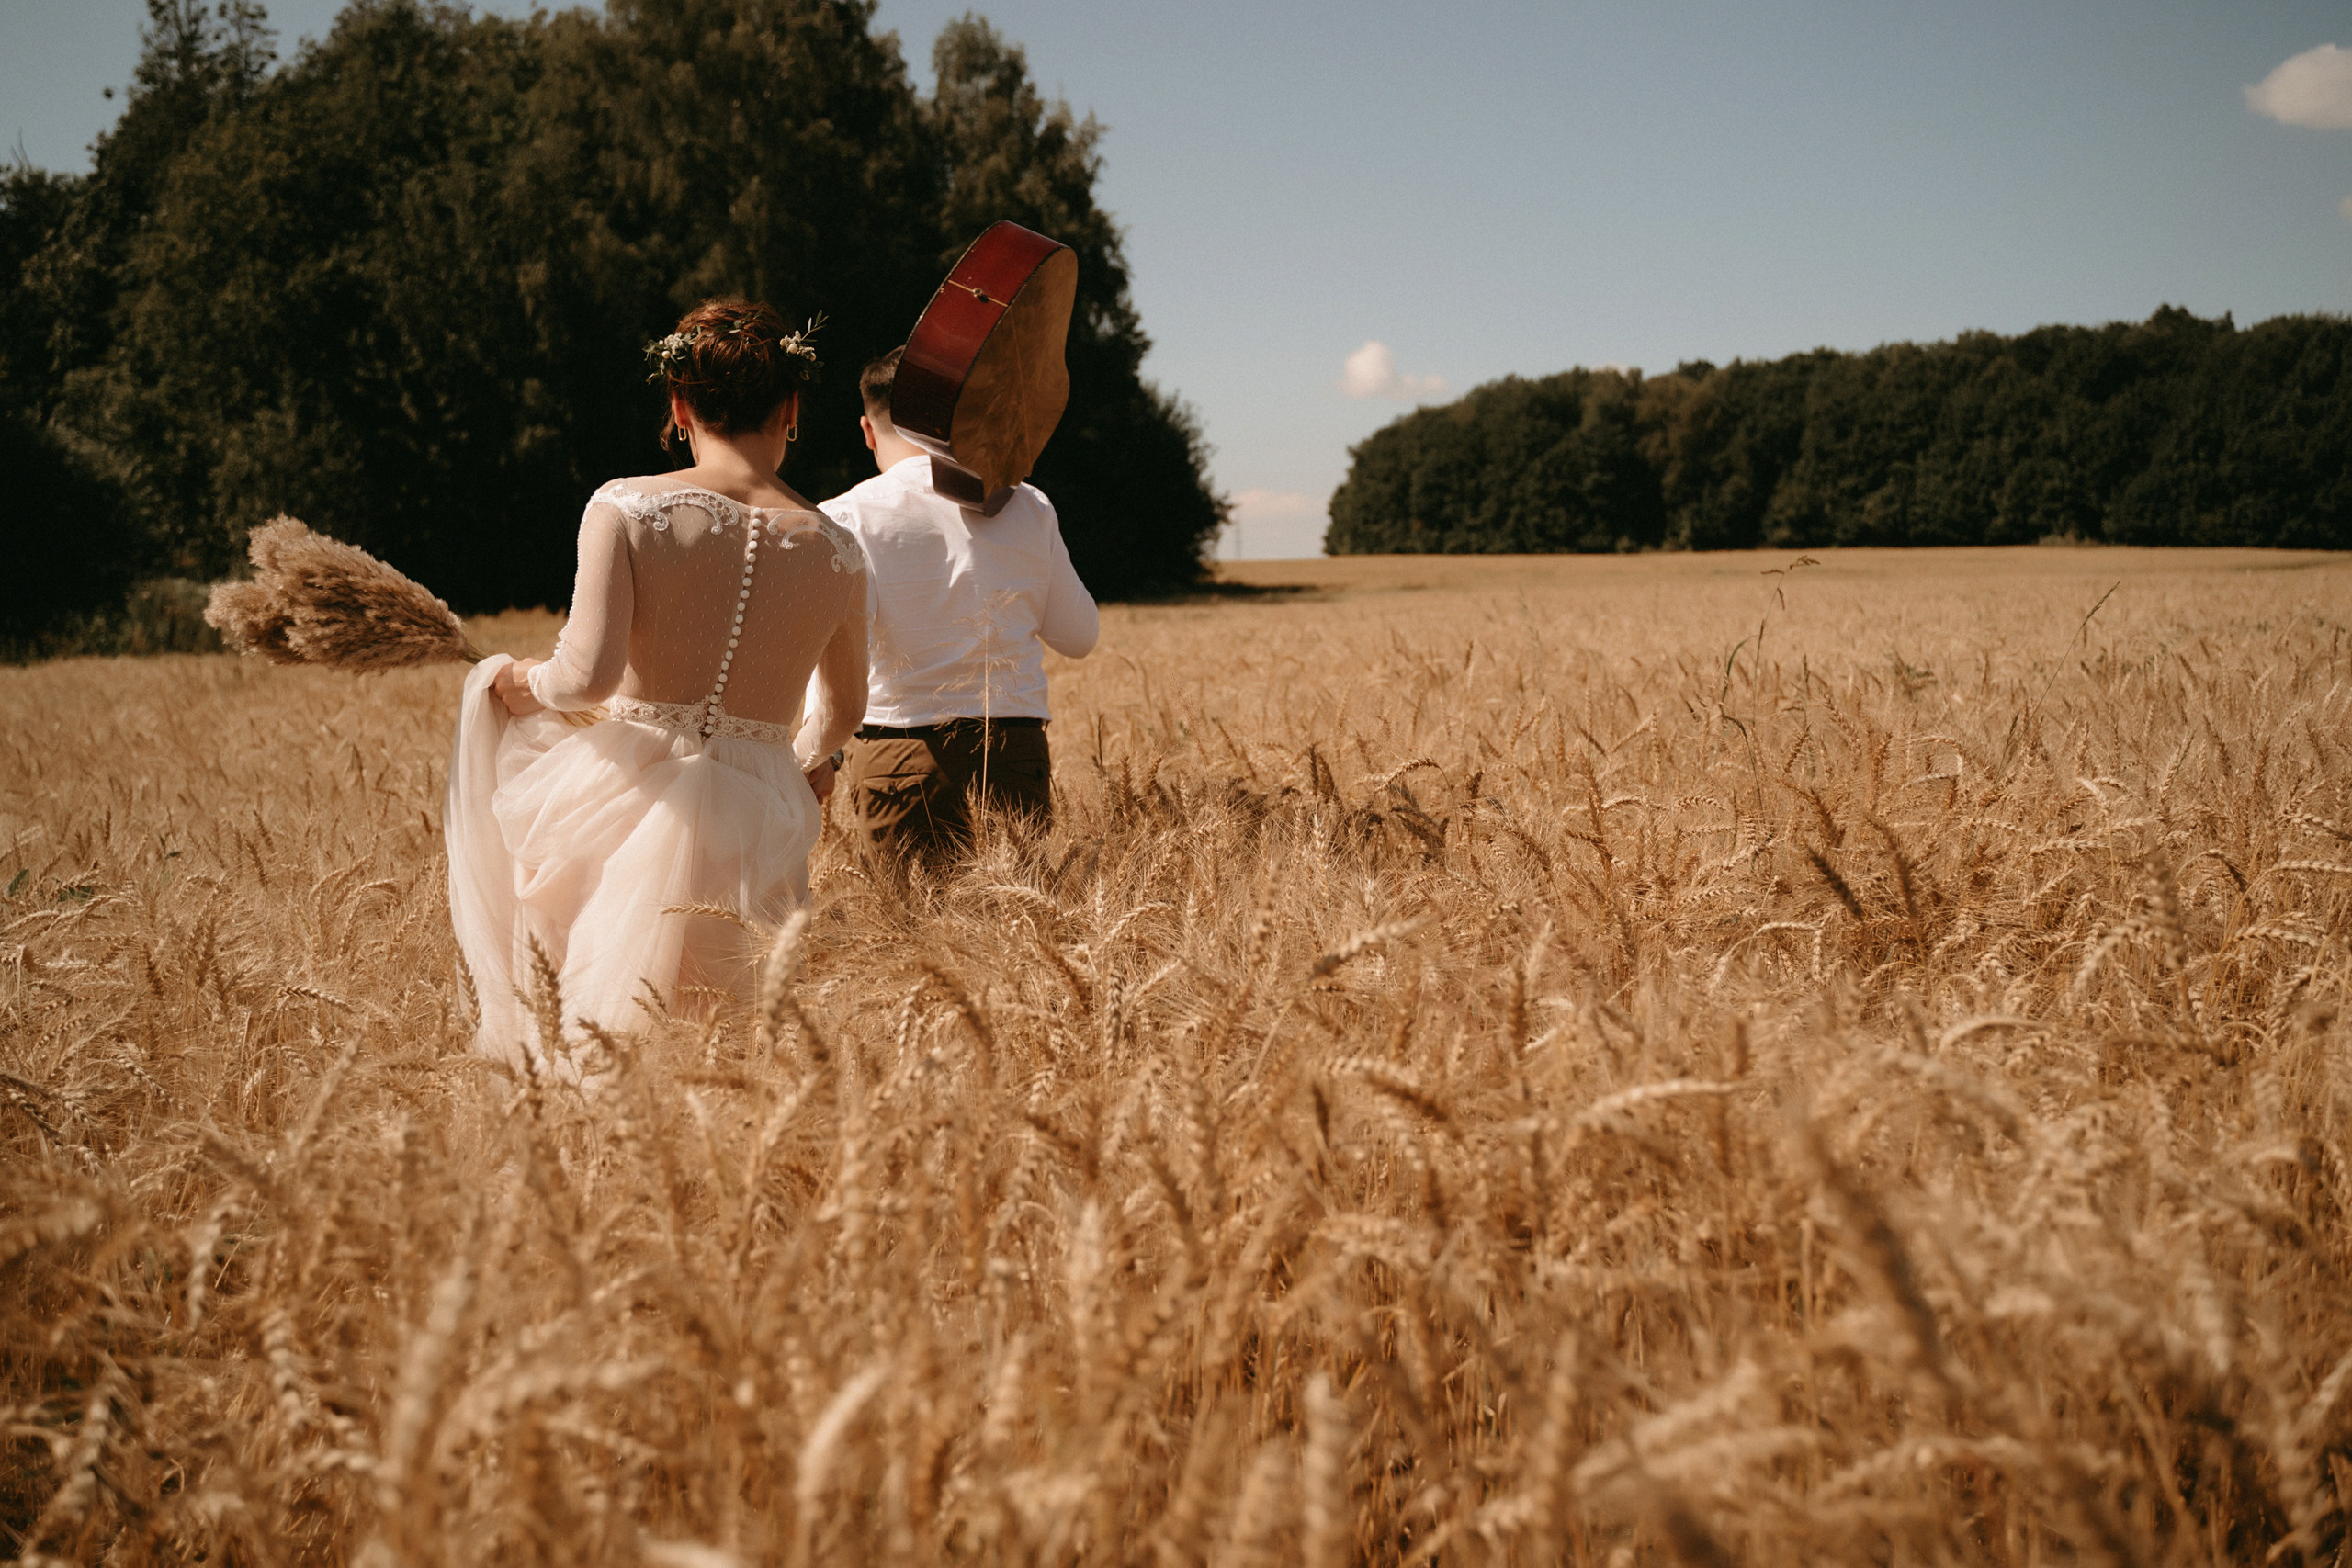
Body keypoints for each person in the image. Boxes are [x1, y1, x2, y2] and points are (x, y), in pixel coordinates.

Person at [444, 299, 867, 1079]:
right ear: (793, 406)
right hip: (762, 797)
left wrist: (514, 680)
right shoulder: (839, 551)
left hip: (626, 788)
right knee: (737, 1026)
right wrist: (805, 759)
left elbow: (587, 677)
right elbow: (845, 709)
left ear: (678, 404)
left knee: (595, 1013)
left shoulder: (626, 507)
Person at [821, 347, 1099, 863]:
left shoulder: (845, 515)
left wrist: (815, 756)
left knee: (913, 935)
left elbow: (837, 657)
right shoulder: (1028, 504)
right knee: (1018, 933)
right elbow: (1079, 637)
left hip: (899, 757)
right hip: (1014, 754)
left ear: (867, 429)